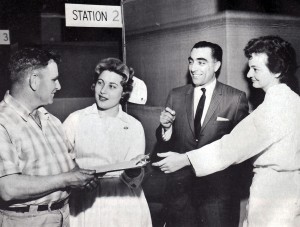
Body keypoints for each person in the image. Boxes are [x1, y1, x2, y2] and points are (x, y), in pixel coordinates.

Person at [153, 35, 300, 226]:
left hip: (273, 196)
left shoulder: (276, 107)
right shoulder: (293, 100)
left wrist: (184, 159)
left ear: (277, 70)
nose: (248, 75)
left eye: (255, 69)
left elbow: (231, 146)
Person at [0, 47, 98, 227]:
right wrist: (67, 179)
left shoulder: (52, 121)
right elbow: (7, 188)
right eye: (54, 79)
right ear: (34, 81)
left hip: (63, 215)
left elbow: (70, 165)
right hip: (25, 221)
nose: (59, 86)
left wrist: (81, 177)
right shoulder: (3, 122)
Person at [156, 41, 249, 227]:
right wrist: (166, 128)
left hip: (217, 198)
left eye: (201, 62)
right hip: (181, 197)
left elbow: (242, 148)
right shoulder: (175, 95)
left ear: (217, 65)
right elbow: (166, 145)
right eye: (191, 61)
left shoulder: (235, 99)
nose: (193, 68)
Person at [63, 58, 152, 227]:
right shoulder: (75, 119)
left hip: (123, 202)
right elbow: (60, 160)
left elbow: (133, 179)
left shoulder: (133, 126)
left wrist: (135, 170)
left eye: (112, 86)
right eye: (100, 83)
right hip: (85, 201)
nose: (103, 91)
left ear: (124, 92)